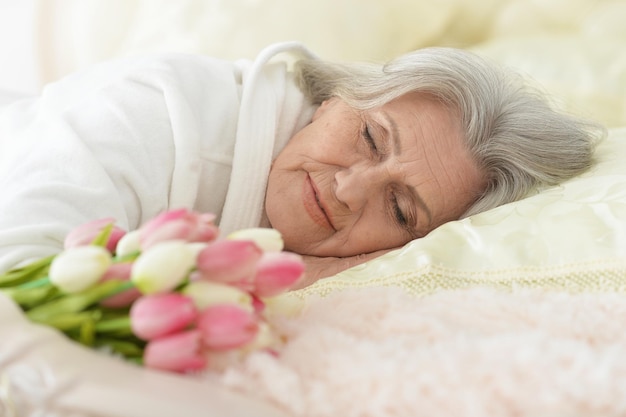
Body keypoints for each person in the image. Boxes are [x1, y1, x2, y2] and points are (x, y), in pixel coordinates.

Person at [0, 42, 604, 289]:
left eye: (399, 208)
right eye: (370, 136)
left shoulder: (359, 265)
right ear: (336, 94)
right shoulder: (161, 113)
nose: (348, 188)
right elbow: (15, 279)